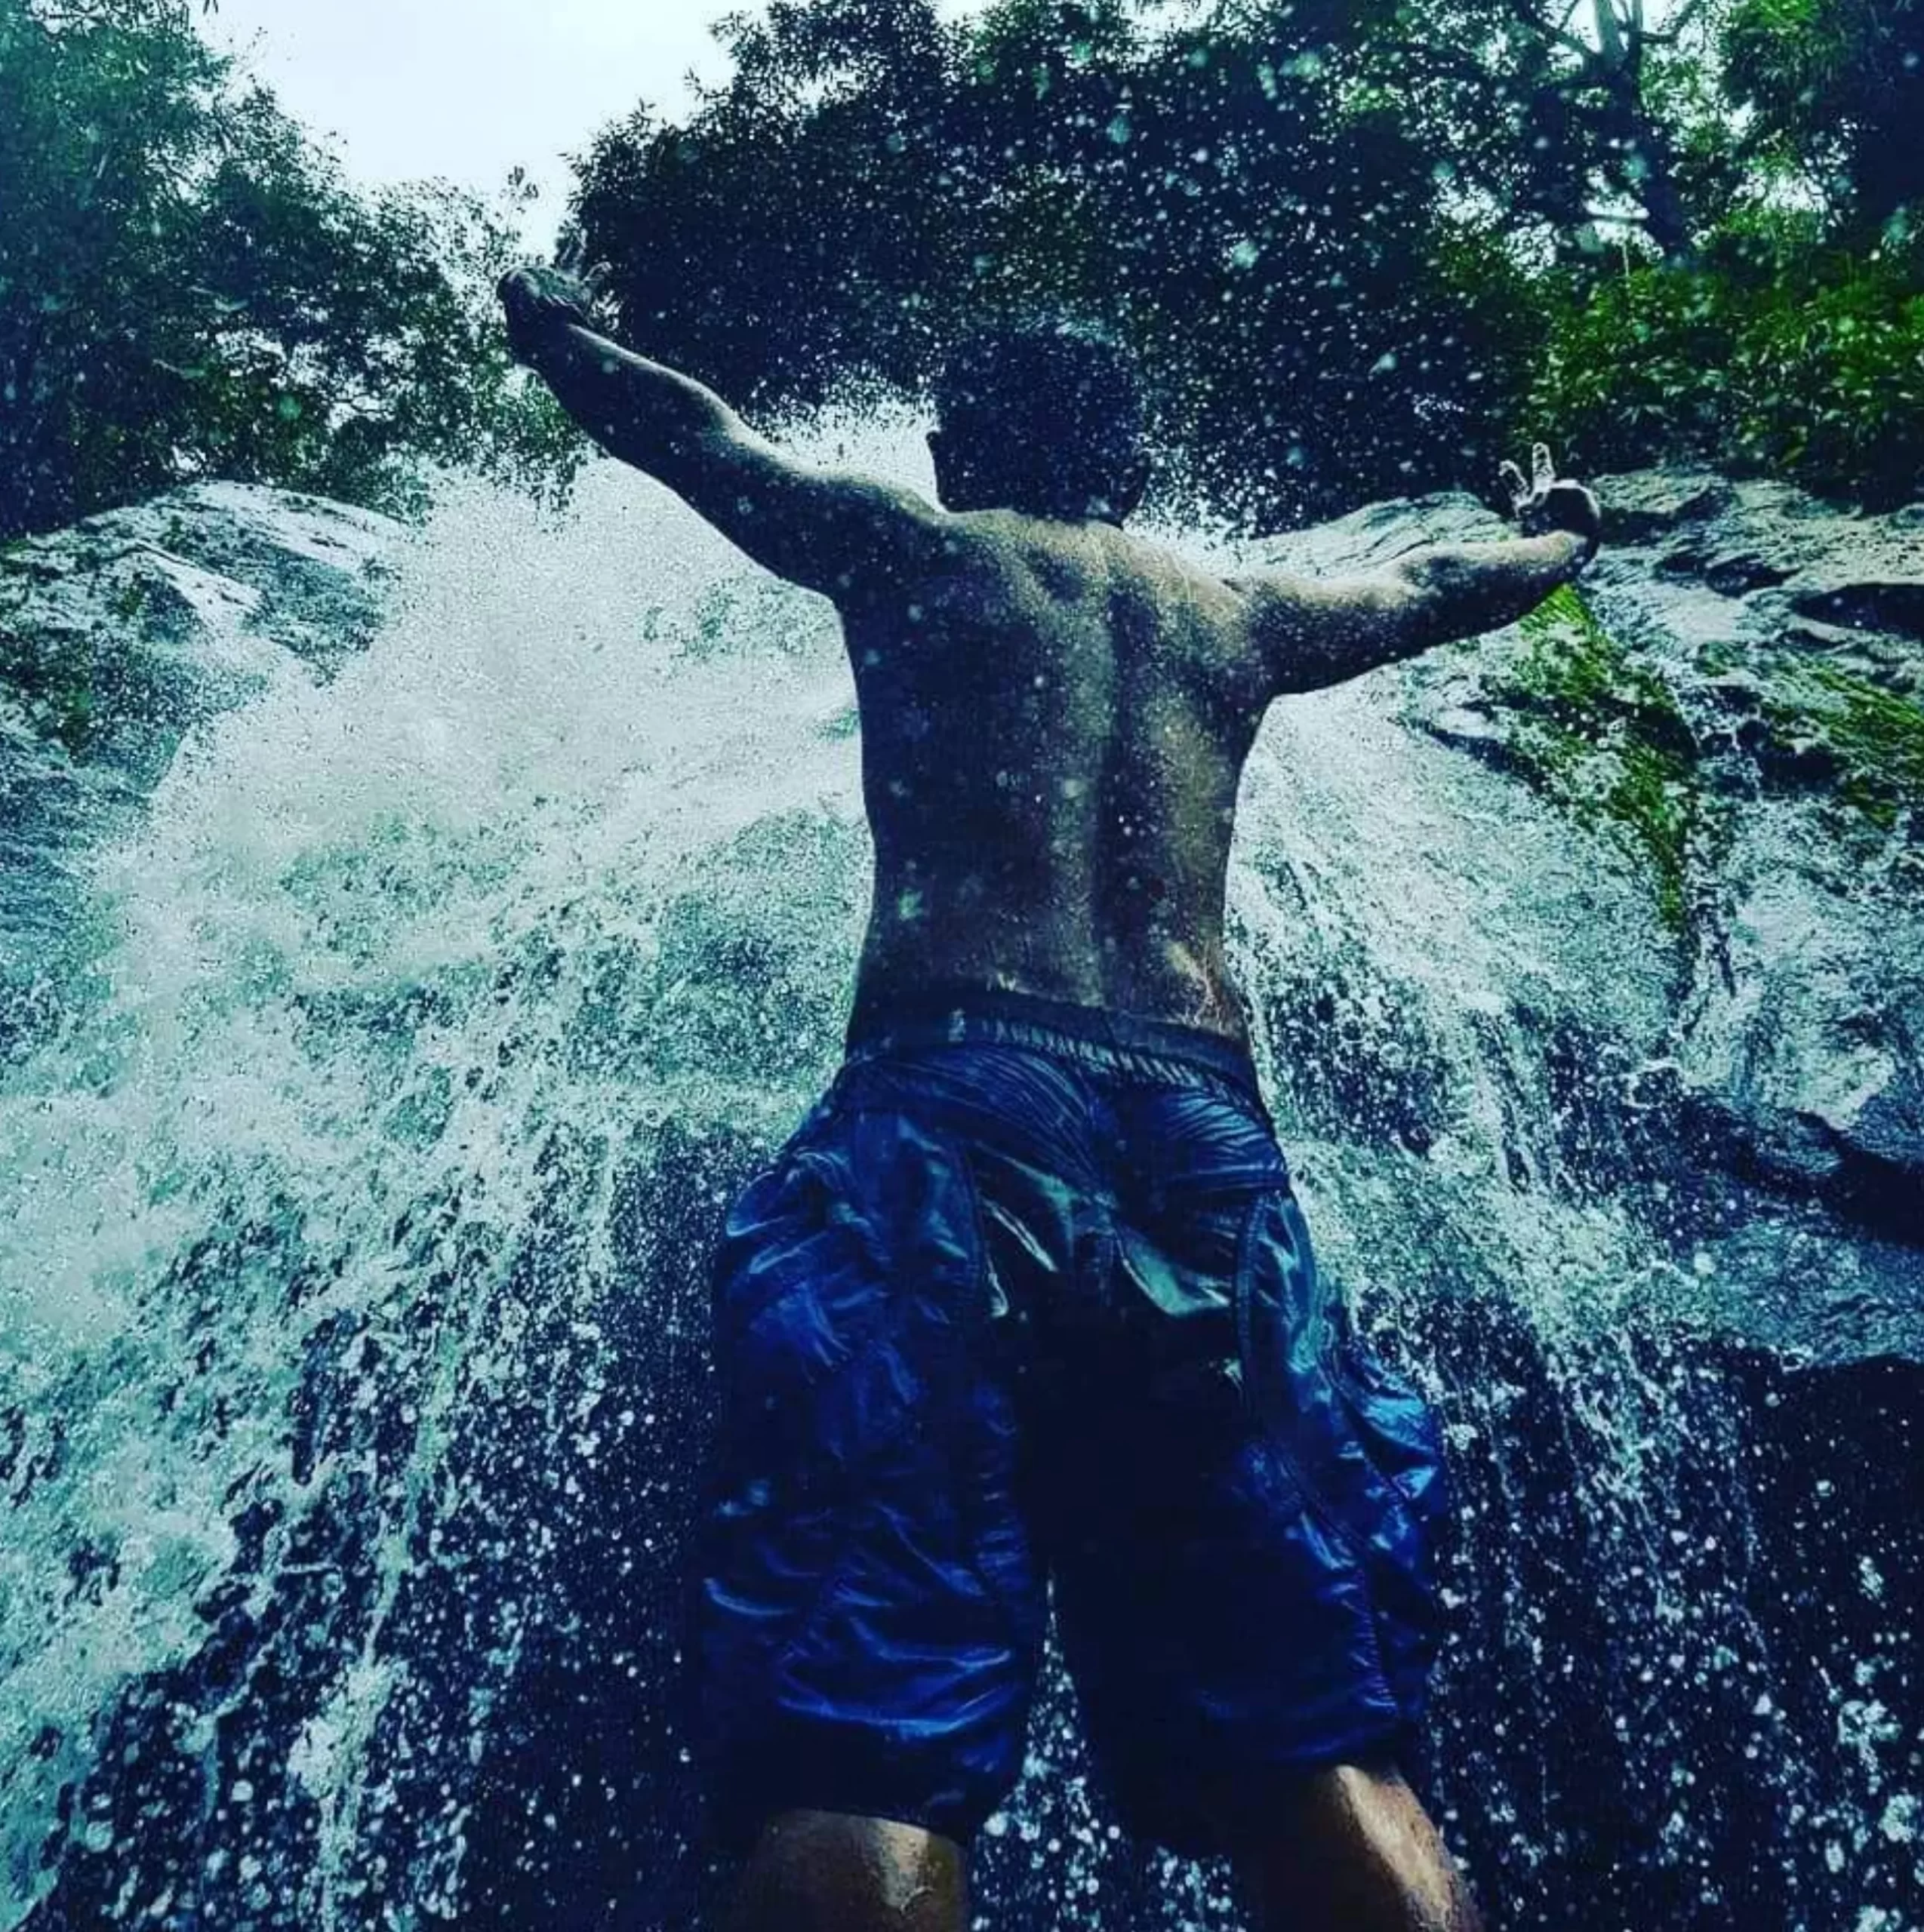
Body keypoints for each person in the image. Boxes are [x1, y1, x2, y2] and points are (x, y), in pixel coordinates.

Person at [500, 245, 1602, 1932]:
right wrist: (1561, 532)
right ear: (1135, 468)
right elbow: (1444, 581)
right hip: (1201, 1137)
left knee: (859, 1731)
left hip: (955, 1105)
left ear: (952, 449)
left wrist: (555, 329)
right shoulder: (1235, 608)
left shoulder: (911, 547)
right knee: (1321, 1731)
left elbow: (691, 439)